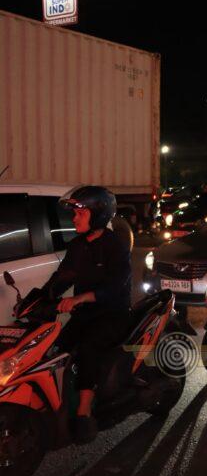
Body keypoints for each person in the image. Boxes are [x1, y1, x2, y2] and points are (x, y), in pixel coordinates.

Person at [46, 186, 132, 444]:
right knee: (57, 347)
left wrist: (80, 298)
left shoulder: (115, 245)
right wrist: (36, 299)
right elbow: (62, 278)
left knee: (88, 347)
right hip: (85, 315)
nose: (74, 219)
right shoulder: (77, 246)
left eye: (80, 213)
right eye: (74, 213)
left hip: (113, 315)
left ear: (98, 214)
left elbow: (117, 286)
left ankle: (84, 411)